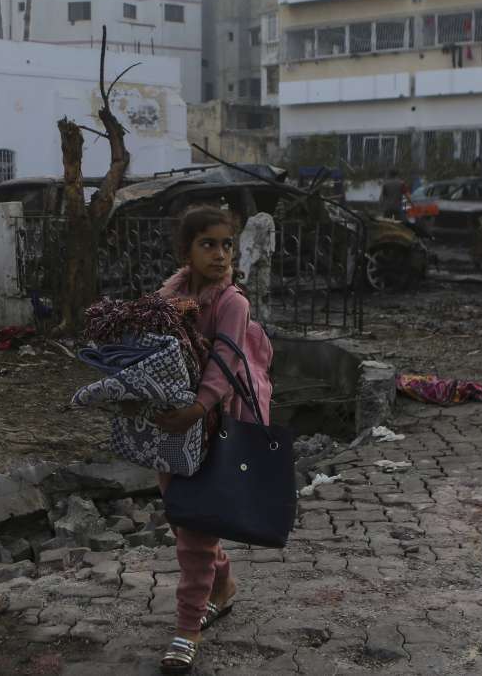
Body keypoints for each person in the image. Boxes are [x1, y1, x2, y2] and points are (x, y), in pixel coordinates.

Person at [151, 205, 275, 675]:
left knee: (197, 527)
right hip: (173, 424)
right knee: (184, 518)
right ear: (186, 251)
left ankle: (187, 628)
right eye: (208, 244)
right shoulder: (169, 295)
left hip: (216, 421)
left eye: (227, 244)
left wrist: (198, 409)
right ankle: (223, 586)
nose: (221, 254)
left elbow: (224, 362)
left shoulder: (232, 303)